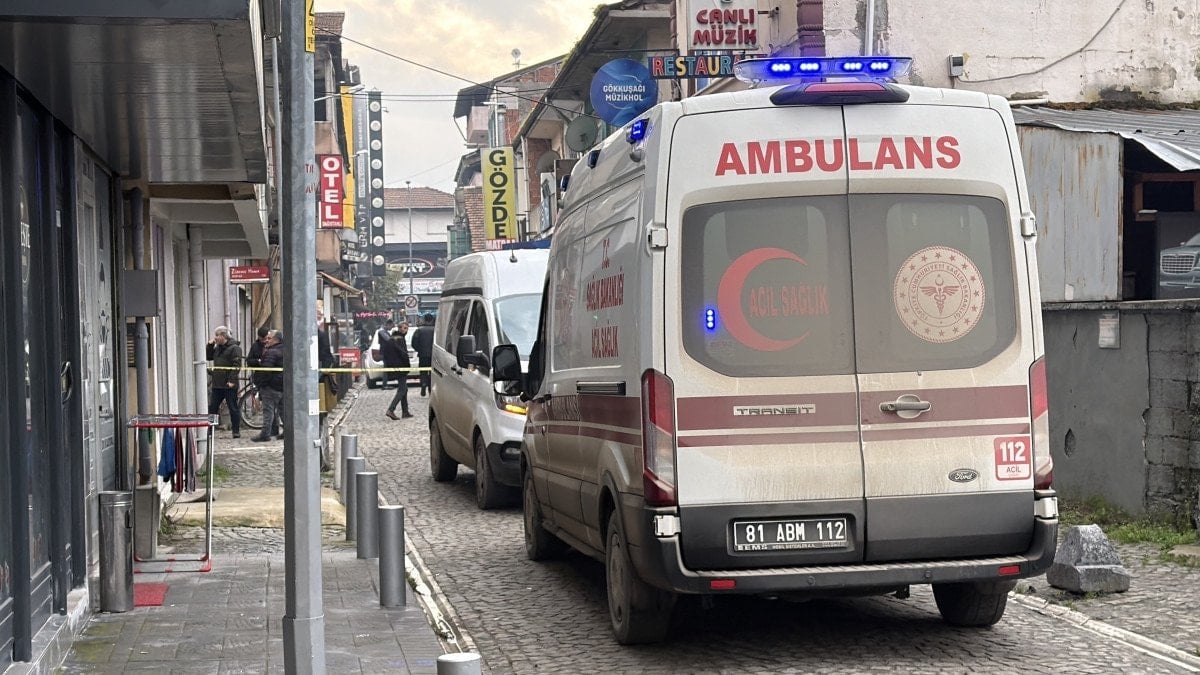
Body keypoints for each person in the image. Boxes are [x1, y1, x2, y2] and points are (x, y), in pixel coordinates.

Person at [206, 326, 244, 438]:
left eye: (217, 335)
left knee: (233, 407)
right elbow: (209, 357)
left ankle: (236, 430)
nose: (215, 338)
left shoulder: (234, 348)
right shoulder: (218, 348)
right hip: (217, 384)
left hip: (229, 384)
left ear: (223, 336)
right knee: (213, 408)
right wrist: (210, 346)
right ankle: (210, 429)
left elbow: (236, 365)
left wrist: (232, 380)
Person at [250, 330, 285, 442]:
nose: (266, 341)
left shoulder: (271, 352)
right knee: (283, 411)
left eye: (269, 338)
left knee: (268, 411)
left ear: (276, 340)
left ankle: (265, 434)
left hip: (271, 386)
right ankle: (288, 432)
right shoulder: (286, 350)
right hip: (283, 385)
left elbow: (266, 371)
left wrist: (262, 385)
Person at [383, 323, 412, 419]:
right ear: (399, 329)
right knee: (402, 389)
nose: (405, 330)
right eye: (404, 328)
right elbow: (403, 353)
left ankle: (405, 411)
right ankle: (391, 409)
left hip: (396, 366)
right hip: (400, 367)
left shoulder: (392, 338)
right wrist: (407, 365)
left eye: (406, 328)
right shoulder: (399, 339)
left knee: (404, 389)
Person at [411, 313, 435, 396]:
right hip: (433, 355)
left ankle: (423, 383)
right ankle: (430, 388)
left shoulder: (419, 330)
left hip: (422, 355)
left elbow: (414, 343)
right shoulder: (435, 330)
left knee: (423, 371)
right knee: (432, 372)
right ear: (432, 320)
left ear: (424, 319)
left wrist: (419, 350)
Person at [375, 319, 395, 388]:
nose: (391, 328)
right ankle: (384, 385)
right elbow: (388, 340)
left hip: (386, 352)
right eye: (391, 326)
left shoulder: (384, 331)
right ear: (388, 324)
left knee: (386, 369)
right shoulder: (382, 331)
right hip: (385, 353)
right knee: (386, 369)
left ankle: (385, 384)